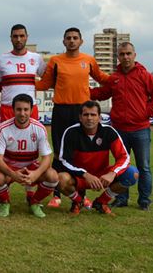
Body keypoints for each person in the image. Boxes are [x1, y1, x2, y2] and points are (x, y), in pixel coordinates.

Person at [35, 27, 110, 208]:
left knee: (78, 153)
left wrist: (121, 79)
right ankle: (56, 194)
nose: (71, 40)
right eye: (68, 38)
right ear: (63, 42)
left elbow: (102, 78)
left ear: (81, 41)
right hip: (61, 110)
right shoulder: (56, 60)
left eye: (75, 38)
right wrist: (19, 80)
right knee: (60, 152)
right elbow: (44, 84)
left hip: (82, 112)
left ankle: (80, 196)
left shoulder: (88, 60)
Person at [90, 42, 153, 210]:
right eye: (122, 54)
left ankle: (144, 201)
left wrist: (145, 113)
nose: (125, 57)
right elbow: (101, 93)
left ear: (134, 55)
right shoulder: (114, 78)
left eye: (128, 53)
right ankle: (121, 199)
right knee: (120, 166)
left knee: (144, 167)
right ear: (118, 57)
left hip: (140, 129)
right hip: (119, 130)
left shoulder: (145, 76)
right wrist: (81, 90)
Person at [57, 101, 139, 216]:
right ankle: (78, 201)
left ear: (99, 117)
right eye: (86, 115)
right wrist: (85, 174)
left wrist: (112, 173)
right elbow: (64, 161)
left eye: (93, 115)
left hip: (102, 176)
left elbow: (124, 157)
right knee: (60, 179)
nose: (89, 118)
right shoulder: (71, 132)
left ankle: (101, 202)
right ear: (80, 117)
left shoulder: (108, 132)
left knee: (132, 174)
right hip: (81, 177)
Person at [0, 94, 59, 218]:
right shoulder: (3, 128)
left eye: (26, 109)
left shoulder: (39, 128)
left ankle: (35, 202)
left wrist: (36, 174)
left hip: (31, 167)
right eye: (19, 109)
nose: (22, 113)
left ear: (31, 110)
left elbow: (47, 158)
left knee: (53, 176)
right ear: (13, 110)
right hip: (10, 167)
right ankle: (5, 202)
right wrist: (13, 174)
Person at [0, 24, 46, 122]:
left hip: (29, 108)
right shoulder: (1, 60)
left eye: (21, 36)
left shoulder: (36, 58)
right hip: (8, 108)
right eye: (15, 36)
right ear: (11, 38)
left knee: (31, 137)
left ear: (27, 37)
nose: (18, 39)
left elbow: (46, 80)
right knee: (6, 137)